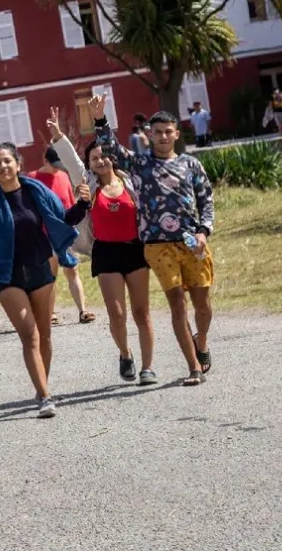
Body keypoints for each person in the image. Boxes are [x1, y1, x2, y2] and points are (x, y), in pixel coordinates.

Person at [0, 143, 90, 418]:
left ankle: (41, 388)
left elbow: (64, 218)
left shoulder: (36, 191)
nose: (2, 167)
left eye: (7, 161)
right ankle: (46, 397)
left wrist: (83, 202)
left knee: (45, 336)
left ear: (18, 164)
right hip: (8, 275)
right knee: (30, 335)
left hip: (41, 270)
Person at [89, 96, 215, 386]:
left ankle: (202, 341)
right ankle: (193, 367)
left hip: (192, 243)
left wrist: (203, 232)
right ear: (149, 134)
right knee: (177, 306)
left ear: (176, 133)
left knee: (203, 307)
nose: (162, 136)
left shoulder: (191, 165)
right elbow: (111, 150)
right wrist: (100, 120)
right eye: (157, 132)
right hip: (157, 246)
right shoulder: (140, 165)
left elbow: (206, 202)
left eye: (167, 131)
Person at [48, 104, 158, 386]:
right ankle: (125, 354)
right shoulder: (88, 184)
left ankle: (147, 367)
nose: (100, 161)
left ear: (113, 159)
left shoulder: (130, 180)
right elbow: (72, 163)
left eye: (103, 156)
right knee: (117, 313)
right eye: (94, 158)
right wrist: (59, 137)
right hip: (106, 252)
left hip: (135, 249)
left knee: (141, 313)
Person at [27, 146, 96, 326]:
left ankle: (83, 311)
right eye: (55, 165)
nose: (58, 168)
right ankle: (50, 313)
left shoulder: (63, 176)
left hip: (66, 232)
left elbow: (70, 202)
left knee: (73, 270)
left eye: (60, 164)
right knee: (51, 274)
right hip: (45, 235)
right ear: (45, 161)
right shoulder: (32, 179)